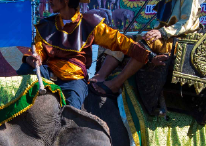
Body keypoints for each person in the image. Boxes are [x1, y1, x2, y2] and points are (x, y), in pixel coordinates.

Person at [20, 0, 168, 108]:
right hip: (47, 72)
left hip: (73, 78)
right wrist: (34, 59)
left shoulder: (90, 24)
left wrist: (149, 57)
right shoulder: (46, 25)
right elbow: (38, 49)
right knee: (23, 73)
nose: (49, 1)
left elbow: (121, 42)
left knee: (71, 113)